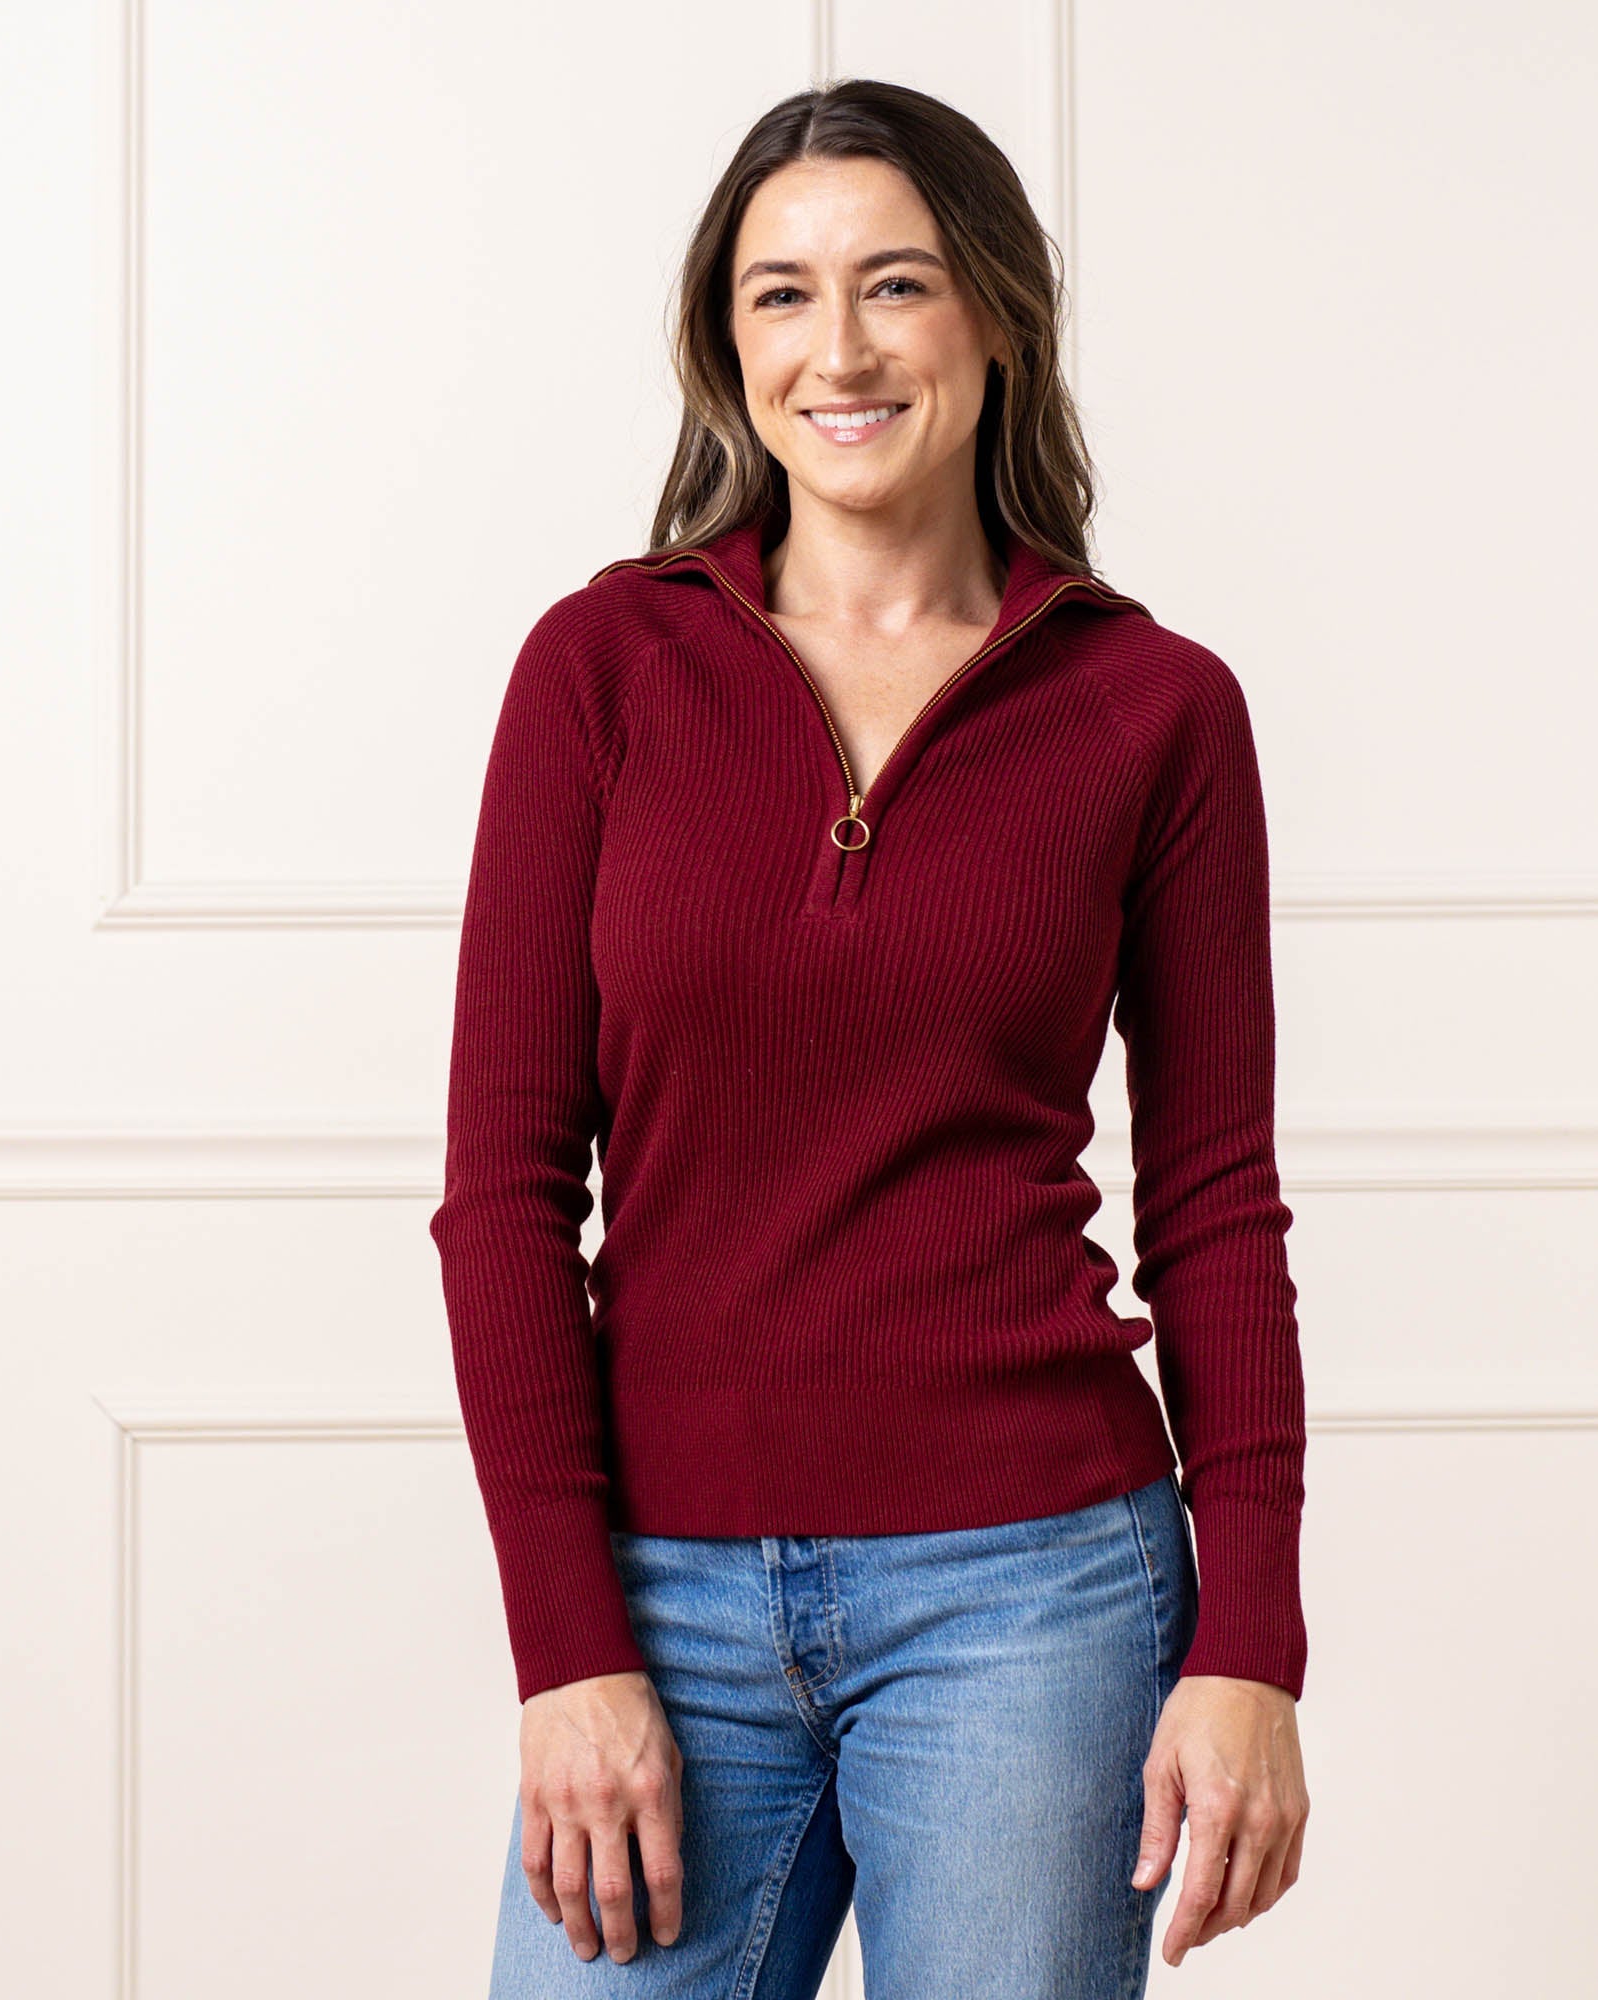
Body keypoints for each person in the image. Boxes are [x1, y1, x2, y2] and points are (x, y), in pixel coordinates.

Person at [429, 76, 1311, 2000]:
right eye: (782, 295)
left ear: (994, 316)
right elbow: (502, 1198)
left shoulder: (1154, 709)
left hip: (1038, 1595)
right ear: (726, 343)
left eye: (895, 284)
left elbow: (1218, 1208)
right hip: (659, 1594)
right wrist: (566, 1646)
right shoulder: (602, 670)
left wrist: (1253, 1641)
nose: (837, 351)